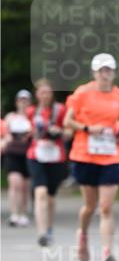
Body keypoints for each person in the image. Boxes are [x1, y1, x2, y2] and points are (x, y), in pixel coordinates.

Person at [64, 53, 119, 261]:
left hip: (112, 155)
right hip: (85, 155)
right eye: (101, 70)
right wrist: (87, 128)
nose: (105, 74)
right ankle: (82, 235)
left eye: (108, 70)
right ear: (94, 73)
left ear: (114, 73)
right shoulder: (82, 93)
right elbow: (67, 121)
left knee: (106, 207)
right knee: (90, 206)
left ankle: (106, 253)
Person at [26, 79, 68, 246]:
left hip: (56, 156)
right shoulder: (31, 112)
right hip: (36, 155)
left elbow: (69, 131)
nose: (45, 96)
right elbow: (25, 133)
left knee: (50, 196)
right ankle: (41, 233)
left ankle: (49, 229)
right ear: (37, 94)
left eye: (48, 92)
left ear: (52, 94)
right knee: (40, 192)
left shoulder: (61, 110)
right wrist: (32, 132)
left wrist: (59, 131)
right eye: (42, 92)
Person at [2, 89, 33, 226]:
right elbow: (5, 133)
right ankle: (14, 214)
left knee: (25, 186)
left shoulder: (32, 117)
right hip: (13, 153)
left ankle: (23, 213)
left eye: (25, 100)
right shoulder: (11, 117)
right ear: (16, 102)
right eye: (21, 100)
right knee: (15, 183)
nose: (23, 103)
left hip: (28, 153)